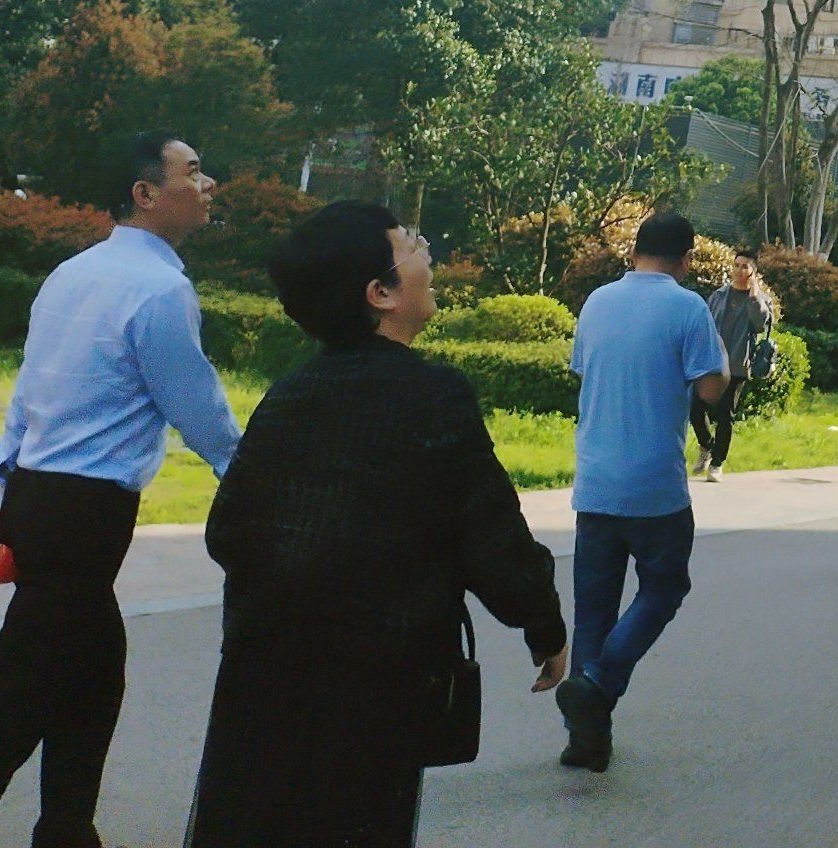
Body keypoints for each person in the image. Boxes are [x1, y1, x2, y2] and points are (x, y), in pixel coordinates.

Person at [0, 133, 242, 848]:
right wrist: (252, 482)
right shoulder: (160, 290)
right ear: (146, 194)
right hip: (86, 514)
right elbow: (199, 408)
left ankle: (66, 829)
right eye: (193, 172)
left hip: (38, 497)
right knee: (8, 702)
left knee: (95, 670)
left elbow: (30, 388)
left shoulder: (72, 273)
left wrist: (5, 482)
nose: (208, 184)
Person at [188, 204, 566, 848]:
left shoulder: (289, 394)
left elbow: (227, 531)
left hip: (263, 676)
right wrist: (544, 625)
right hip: (377, 683)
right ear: (380, 294)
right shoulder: (433, 395)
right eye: (410, 246)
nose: (427, 253)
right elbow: (491, 535)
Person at [554, 213, 728, 772]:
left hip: (595, 485)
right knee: (665, 588)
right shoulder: (688, 307)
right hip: (656, 489)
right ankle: (598, 680)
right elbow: (710, 389)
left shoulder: (596, 303)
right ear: (687, 259)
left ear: (634, 252)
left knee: (592, 614)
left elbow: (588, 373)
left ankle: (586, 741)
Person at [694, 250, 775, 481]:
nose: (739, 270)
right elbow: (704, 324)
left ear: (753, 272)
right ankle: (707, 444)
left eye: (745, 266)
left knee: (725, 414)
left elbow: (760, 325)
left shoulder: (762, 300)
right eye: (736, 265)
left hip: (737, 364)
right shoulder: (719, 295)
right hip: (711, 361)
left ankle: (717, 463)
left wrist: (754, 296)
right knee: (695, 407)